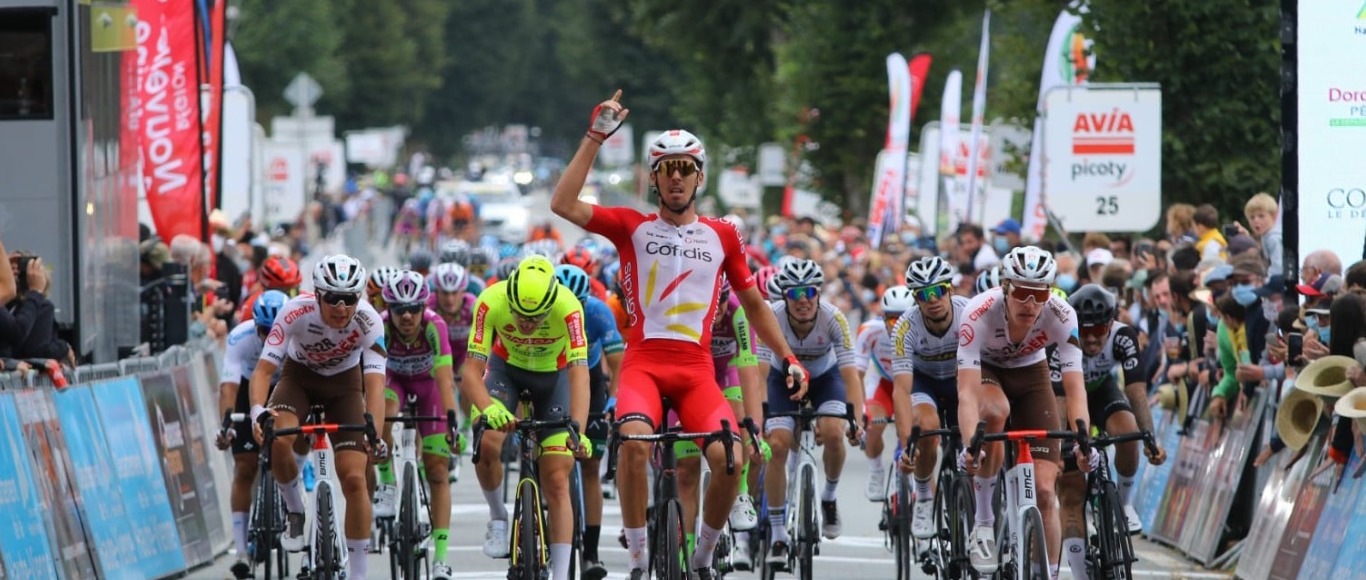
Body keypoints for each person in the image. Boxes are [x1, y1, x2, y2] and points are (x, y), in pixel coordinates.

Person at [549, 90, 808, 580]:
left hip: (695, 369)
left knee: (729, 459)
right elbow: (562, 203)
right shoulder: (631, 226)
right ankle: (640, 560)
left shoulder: (723, 235)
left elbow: (753, 304)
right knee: (633, 443)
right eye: (666, 169)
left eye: (685, 168)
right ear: (652, 178)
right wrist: (594, 138)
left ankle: (705, 557)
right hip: (644, 363)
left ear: (699, 177)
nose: (675, 177)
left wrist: (790, 358)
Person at [956, 246, 1097, 577]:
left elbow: (1076, 389)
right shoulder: (978, 312)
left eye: (1040, 294)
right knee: (994, 410)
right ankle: (984, 523)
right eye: (1021, 292)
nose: (1030, 303)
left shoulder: (1063, 315)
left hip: (1033, 374)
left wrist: (1083, 442)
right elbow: (966, 392)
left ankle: (1046, 571)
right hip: (988, 370)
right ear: (1005, 287)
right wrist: (969, 445)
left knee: (1046, 492)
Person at [249, 255, 388, 580]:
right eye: (333, 299)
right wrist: (258, 412)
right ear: (318, 294)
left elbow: (376, 386)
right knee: (279, 439)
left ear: (360, 298)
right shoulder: (295, 310)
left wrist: (375, 435)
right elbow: (263, 371)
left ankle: (358, 574)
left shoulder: (370, 321)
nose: (341, 307)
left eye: (350, 299)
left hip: (345, 386)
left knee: (354, 479)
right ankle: (295, 509)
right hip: (299, 378)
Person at [461, 256, 591, 580]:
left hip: (554, 378)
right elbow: (471, 372)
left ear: (551, 304)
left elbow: (579, 373)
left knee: (558, 477)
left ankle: (561, 574)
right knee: (488, 440)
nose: (526, 324)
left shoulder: (569, 306)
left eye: (535, 318)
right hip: (508, 373)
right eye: (519, 315)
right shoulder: (491, 300)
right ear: (510, 298)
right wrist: (488, 409)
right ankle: (498, 516)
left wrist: (579, 430)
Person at [1051, 285, 1167, 579]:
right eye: (1084, 330)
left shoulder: (1123, 336)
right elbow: (1060, 405)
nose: (1091, 337)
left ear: (1111, 323)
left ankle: (1125, 506)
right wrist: (1062, 449)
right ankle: (1079, 574)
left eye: (1099, 329)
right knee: (1071, 489)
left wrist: (1149, 437)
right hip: (1066, 396)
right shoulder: (1061, 339)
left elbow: (1137, 392)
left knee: (1128, 432)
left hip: (1102, 391)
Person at [759, 258, 866, 567]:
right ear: (784, 297)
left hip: (824, 378)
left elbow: (850, 376)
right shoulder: (772, 317)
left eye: (809, 292)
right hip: (783, 378)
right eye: (795, 294)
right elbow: (760, 372)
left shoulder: (834, 318)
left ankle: (829, 497)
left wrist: (855, 419)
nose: (803, 300)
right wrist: (760, 416)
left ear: (819, 293)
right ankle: (778, 533)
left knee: (834, 433)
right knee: (777, 444)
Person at [372, 271, 460, 580]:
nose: (406, 316)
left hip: (428, 386)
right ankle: (385, 482)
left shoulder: (435, 326)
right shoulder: (379, 325)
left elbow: (446, 378)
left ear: (424, 307)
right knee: (384, 413)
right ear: (389, 309)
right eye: (398, 309)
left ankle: (441, 558)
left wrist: (451, 421)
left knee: (437, 470)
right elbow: (371, 377)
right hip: (393, 381)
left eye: (413, 308)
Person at [554, 264, 626, 580]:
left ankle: (592, 553)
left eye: (579, 303)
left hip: (592, 378)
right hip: (554, 375)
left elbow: (618, 364)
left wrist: (612, 400)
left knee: (590, 465)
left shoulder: (597, 312)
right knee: (552, 461)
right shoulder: (543, 311)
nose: (573, 309)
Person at [890, 257, 969, 539]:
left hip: (961, 378)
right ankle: (924, 496)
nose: (932, 299)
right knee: (926, 425)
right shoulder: (904, 328)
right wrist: (904, 447)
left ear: (950, 290)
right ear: (916, 299)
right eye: (924, 295)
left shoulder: (968, 313)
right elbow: (900, 389)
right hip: (925, 382)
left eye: (938, 291)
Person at [215, 290, 288, 579]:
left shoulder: (296, 334)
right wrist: (227, 425)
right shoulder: (240, 337)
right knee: (245, 466)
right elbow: (229, 386)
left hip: (284, 385)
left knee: (293, 443)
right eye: (263, 331)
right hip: (249, 386)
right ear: (254, 324)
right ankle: (242, 550)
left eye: (275, 332)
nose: (270, 337)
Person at [857, 285, 914, 501]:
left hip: (910, 384)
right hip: (882, 381)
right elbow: (857, 375)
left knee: (916, 431)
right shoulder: (869, 330)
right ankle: (876, 471)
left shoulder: (920, 329)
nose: (898, 326)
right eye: (892, 320)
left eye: (904, 320)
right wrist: (861, 411)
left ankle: (921, 487)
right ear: (882, 318)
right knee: (874, 423)